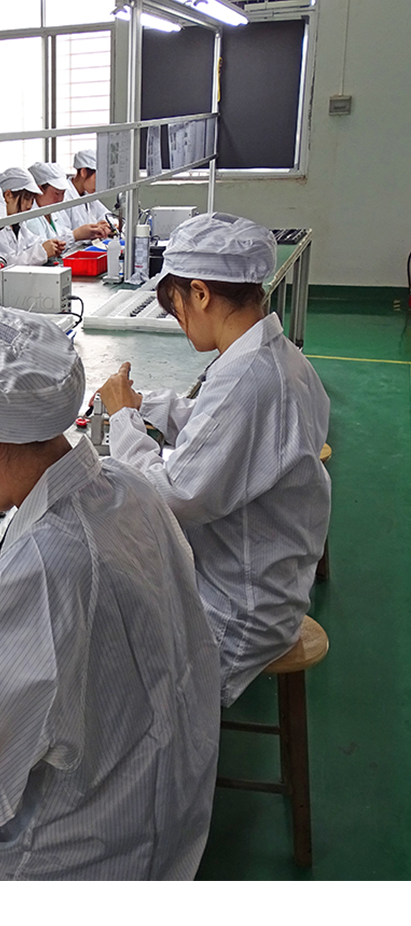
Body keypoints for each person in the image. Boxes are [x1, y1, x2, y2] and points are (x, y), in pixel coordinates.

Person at [0, 298, 221, 880]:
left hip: (75, 866)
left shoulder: (45, 572)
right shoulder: (128, 487)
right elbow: (100, 602)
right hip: (160, 823)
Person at [98, 212, 331, 707]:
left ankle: (172, 731)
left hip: (235, 614)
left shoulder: (249, 380)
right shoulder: (276, 357)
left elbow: (169, 498)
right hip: (268, 581)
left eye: (177, 306)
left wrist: (123, 421)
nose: (179, 320)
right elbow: (215, 422)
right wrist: (146, 405)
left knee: (92, 639)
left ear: (200, 293)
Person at [0, 167, 66, 267]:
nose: (29, 205)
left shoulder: (18, 224)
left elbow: (32, 241)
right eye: (26, 198)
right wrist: (42, 252)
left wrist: (52, 246)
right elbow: (7, 263)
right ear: (8, 195)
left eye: (32, 200)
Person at [59, 148, 114, 247]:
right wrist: (81, 234)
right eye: (96, 178)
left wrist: (108, 226)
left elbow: (106, 216)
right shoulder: (64, 197)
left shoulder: (88, 195)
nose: (98, 184)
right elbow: (62, 236)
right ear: (83, 172)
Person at [25, 161, 71, 245]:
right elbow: (43, 247)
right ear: (39, 190)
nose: (60, 199)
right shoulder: (30, 218)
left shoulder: (54, 211)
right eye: (57, 193)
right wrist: (75, 235)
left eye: (63, 193)